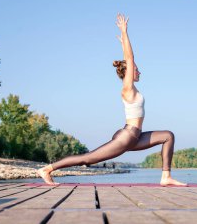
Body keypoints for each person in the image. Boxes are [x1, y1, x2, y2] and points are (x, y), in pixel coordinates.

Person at [38, 14, 187, 186]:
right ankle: (47, 169)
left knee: (168, 136)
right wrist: (124, 32)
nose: (138, 72)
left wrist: (123, 43)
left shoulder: (133, 89)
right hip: (127, 136)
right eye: (136, 70)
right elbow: (130, 59)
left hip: (135, 137)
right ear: (129, 73)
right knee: (87, 159)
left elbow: (127, 60)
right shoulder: (127, 88)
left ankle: (165, 177)